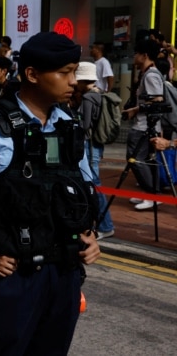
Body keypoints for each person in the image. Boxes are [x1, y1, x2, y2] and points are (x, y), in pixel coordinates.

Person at [0, 31, 101, 355]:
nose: (72, 81)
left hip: (64, 272)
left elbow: (81, 190)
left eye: (74, 71)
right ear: (33, 75)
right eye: (64, 72)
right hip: (15, 275)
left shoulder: (68, 125)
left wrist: (89, 236)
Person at [72, 62, 114, 239]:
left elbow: (85, 124)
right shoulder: (99, 93)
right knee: (93, 184)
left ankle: (105, 225)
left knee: (93, 184)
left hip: (89, 145)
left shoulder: (89, 98)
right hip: (96, 144)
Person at [121, 39, 164, 211]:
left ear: (144, 55)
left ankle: (153, 195)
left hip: (144, 126)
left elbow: (157, 100)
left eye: (136, 53)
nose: (134, 56)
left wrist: (135, 110)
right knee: (144, 160)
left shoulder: (151, 75)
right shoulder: (148, 73)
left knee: (135, 159)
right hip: (146, 125)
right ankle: (149, 193)